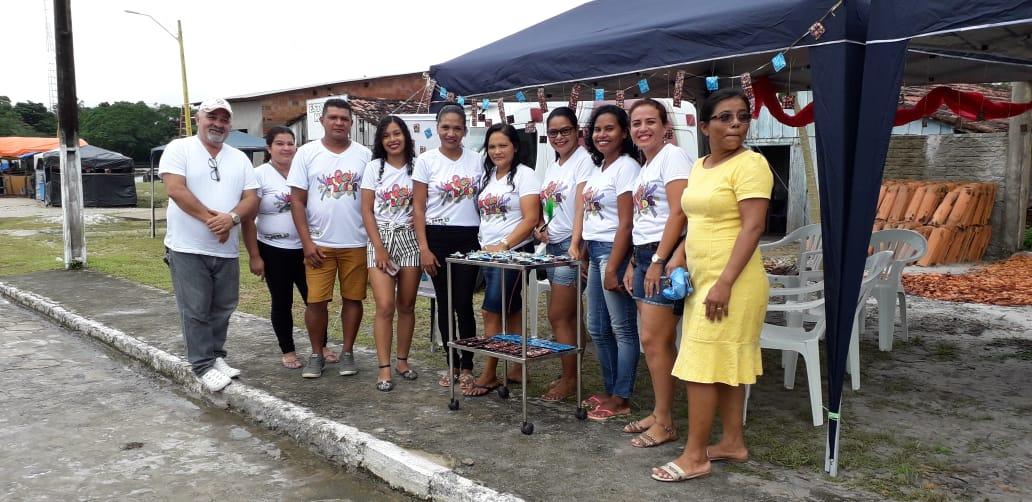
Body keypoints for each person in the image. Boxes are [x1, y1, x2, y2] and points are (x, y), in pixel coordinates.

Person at [651, 88, 772, 482]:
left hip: (732, 283)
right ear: (704, 127)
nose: (735, 123)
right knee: (725, 364)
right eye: (724, 117)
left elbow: (753, 227)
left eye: (741, 116)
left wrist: (724, 283)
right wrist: (678, 256)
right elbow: (700, 220)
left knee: (701, 368)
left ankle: (695, 455)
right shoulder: (702, 166)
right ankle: (733, 442)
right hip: (703, 279)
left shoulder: (751, 164)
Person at [159, 97, 259, 392]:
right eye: (211, 117)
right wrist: (211, 219)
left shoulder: (238, 157)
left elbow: (252, 197)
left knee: (224, 305)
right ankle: (201, 364)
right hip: (187, 246)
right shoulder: (180, 149)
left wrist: (231, 218)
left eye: (224, 119)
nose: (218, 124)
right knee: (195, 308)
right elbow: (175, 189)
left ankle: (216, 355)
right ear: (199, 119)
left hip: (225, 248)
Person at [621, 98, 694, 447]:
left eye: (651, 121)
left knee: (657, 341)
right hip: (645, 255)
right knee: (651, 341)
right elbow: (646, 218)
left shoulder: (673, 156)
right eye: (636, 123)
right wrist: (635, 261)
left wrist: (659, 260)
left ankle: (665, 421)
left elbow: (680, 213)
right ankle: (659, 411)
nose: (643, 128)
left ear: (666, 126)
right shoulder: (647, 163)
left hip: (661, 257)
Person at [287, 98, 372, 379]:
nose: (338, 123)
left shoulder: (364, 155)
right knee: (316, 302)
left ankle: (347, 352)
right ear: (322, 120)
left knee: (353, 299)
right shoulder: (307, 153)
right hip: (319, 244)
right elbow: (297, 201)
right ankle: (316, 353)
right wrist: (307, 243)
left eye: (344, 119)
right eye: (333, 117)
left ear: (351, 123)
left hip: (356, 242)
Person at [570, 105, 641, 421]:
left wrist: (613, 266)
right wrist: (583, 247)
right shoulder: (600, 169)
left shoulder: (626, 167)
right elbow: (592, 214)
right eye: (597, 129)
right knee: (597, 328)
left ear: (624, 133)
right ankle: (611, 389)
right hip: (595, 251)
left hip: (615, 251)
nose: (602, 135)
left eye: (609, 128)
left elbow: (627, 223)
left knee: (622, 328)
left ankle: (622, 397)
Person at [243, 126, 334, 369]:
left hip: (307, 248)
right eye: (280, 143)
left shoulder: (305, 170)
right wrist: (254, 256)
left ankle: (321, 345)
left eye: (290, 143)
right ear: (269, 148)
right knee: (281, 301)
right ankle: (288, 349)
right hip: (273, 249)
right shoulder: (259, 175)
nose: (286, 148)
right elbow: (248, 220)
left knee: (316, 300)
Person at [464, 123, 541, 397]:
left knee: (490, 311)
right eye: (492, 146)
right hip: (489, 253)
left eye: (503, 145)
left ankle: (489, 372)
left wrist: (505, 244)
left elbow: (531, 218)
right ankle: (518, 367)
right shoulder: (488, 176)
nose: (497, 151)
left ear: (515, 147)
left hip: (512, 254)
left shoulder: (525, 175)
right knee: (512, 309)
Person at [411, 103, 483, 389]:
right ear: (438, 128)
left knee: (464, 302)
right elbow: (418, 208)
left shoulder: (477, 160)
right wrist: (424, 248)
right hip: (436, 236)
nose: (451, 133)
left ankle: (468, 365)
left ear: (465, 130)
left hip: (468, 237)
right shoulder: (426, 161)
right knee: (444, 301)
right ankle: (450, 363)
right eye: (445, 127)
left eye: (457, 128)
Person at [533, 106, 594, 402]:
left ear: (578, 133)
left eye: (565, 131)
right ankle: (573, 370)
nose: (559, 137)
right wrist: (542, 226)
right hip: (553, 245)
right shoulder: (554, 164)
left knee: (558, 315)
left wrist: (577, 245)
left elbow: (582, 204)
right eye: (553, 132)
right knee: (571, 315)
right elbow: (550, 203)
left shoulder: (584, 162)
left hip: (572, 247)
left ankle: (569, 378)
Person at [360, 115, 421, 392]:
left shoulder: (418, 167)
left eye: (397, 134)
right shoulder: (375, 168)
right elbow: (367, 211)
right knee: (385, 305)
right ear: (380, 141)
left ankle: (402, 361)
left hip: (410, 239)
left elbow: (424, 205)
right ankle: (383, 367)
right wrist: (380, 249)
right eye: (386, 136)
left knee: (406, 305)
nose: (392, 140)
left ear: (406, 136)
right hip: (381, 238)